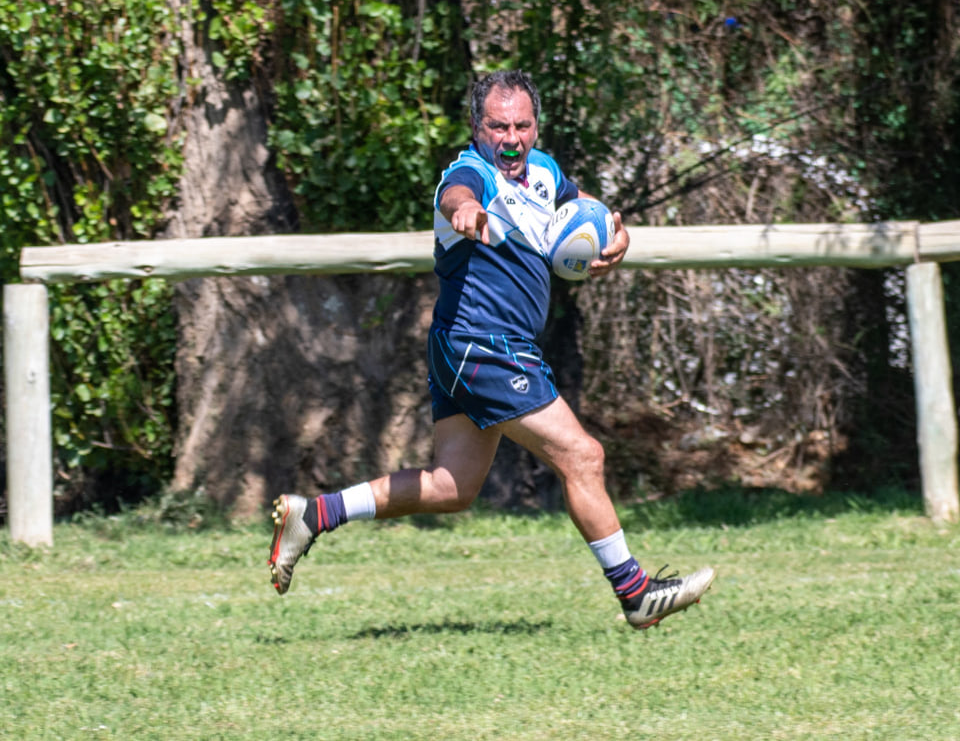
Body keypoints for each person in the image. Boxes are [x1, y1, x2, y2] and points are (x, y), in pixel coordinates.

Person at [267, 69, 715, 629]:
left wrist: (615, 235)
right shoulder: (469, 173)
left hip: (468, 345)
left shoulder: (546, 171)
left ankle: (315, 514)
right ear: (477, 128)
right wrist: (463, 212)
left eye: (522, 125)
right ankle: (636, 596)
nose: (511, 138)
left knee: (451, 487)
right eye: (497, 126)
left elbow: (587, 207)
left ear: (535, 126)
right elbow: (457, 194)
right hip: (483, 344)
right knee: (583, 455)